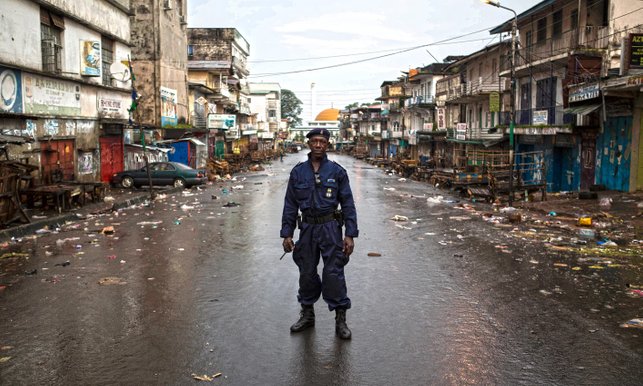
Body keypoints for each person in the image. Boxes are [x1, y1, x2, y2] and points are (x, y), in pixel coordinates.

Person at [280, 127, 358, 340]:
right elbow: (290, 205)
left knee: (333, 272)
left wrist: (350, 234)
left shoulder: (337, 172)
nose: (318, 145)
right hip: (307, 229)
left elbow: (348, 204)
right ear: (309, 144)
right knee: (306, 272)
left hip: (330, 227)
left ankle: (340, 319)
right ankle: (307, 315)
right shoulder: (298, 172)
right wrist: (287, 233)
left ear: (327, 145)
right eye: (314, 141)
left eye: (322, 142)